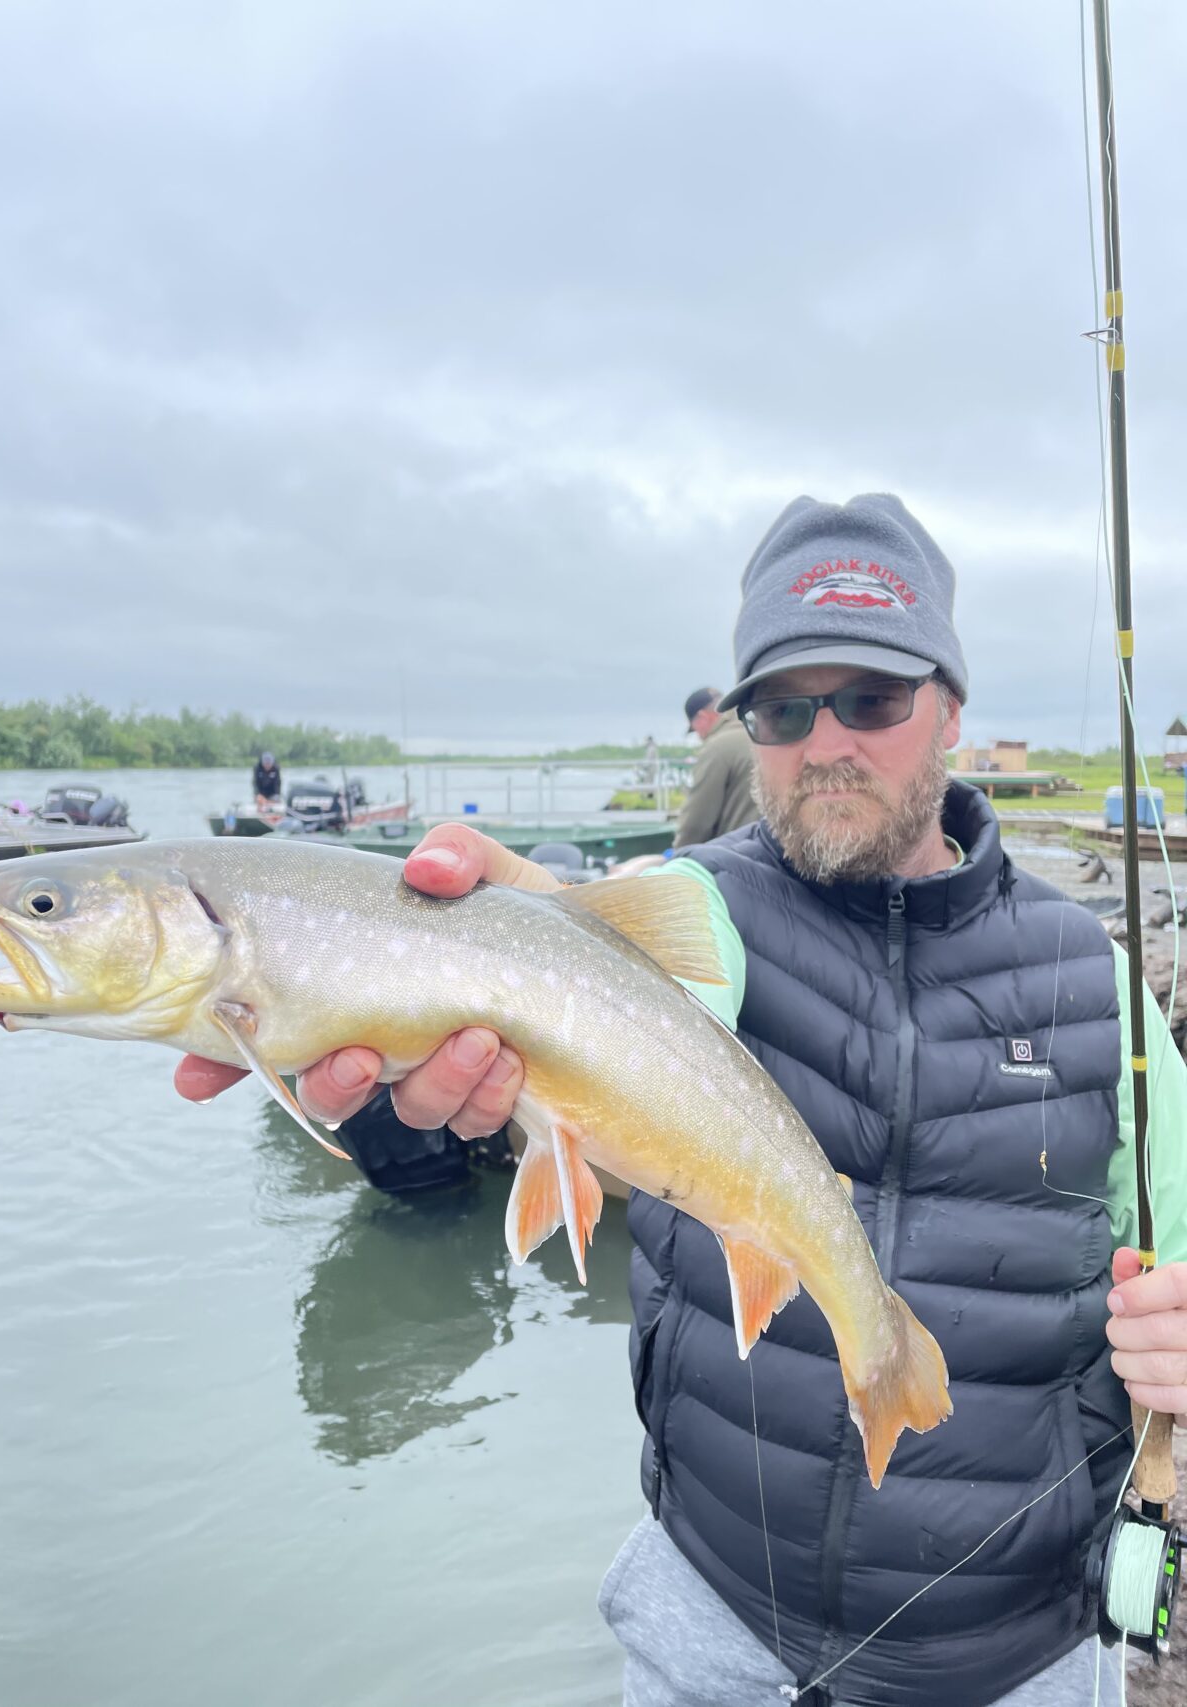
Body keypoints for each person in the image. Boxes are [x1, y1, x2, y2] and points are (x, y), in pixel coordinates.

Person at [177, 493, 1187, 1707]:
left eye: (869, 699)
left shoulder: (1098, 987)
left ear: (950, 713)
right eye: (780, 705)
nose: (825, 741)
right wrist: (382, 1004)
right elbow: (561, 950)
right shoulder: (693, 916)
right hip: (707, 1623)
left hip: (1014, 1655)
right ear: (744, 725)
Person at [672, 686, 758, 847]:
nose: (698, 736)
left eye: (694, 729)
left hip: (737, 855)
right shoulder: (762, 731)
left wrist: (679, 856)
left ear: (702, 717)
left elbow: (696, 821)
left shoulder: (716, 748)